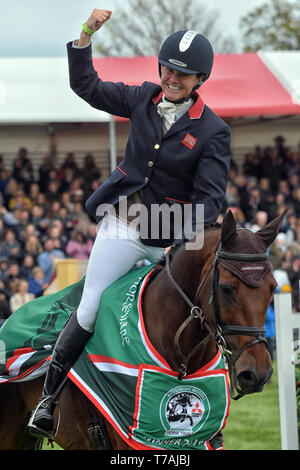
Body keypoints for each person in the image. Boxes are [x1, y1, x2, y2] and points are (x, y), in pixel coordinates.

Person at [28, 8, 231, 437]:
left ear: (200, 81)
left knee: (208, 307)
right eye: (168, 69)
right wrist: (84, 36)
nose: (172, 78)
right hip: (128, 225)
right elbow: (86, 85)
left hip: (175, 234)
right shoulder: (141, 97)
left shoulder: (213, 131)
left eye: (183, 74)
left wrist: (181, 242)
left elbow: (210, 198)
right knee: (92, 303)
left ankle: (213, 400)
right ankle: (49, 396)